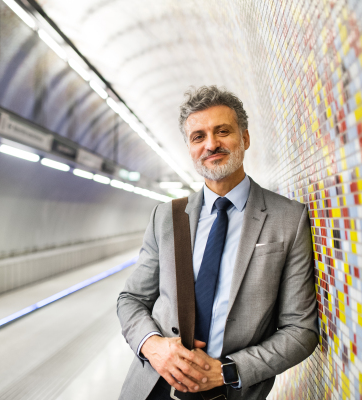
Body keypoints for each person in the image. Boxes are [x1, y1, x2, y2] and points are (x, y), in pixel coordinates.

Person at [117, 86, 318, 400]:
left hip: (229, 392)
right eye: (198, 136)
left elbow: (301, 331)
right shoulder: (166, 217)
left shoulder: (288, 219)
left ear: (245, 138)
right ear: (190, 147)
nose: (211, 144)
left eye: (222, 131)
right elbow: (131, 299)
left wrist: (227, 371)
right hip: (152, 387)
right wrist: (154, 346)